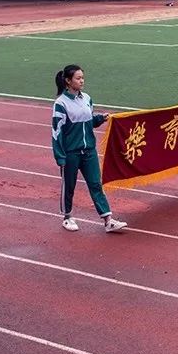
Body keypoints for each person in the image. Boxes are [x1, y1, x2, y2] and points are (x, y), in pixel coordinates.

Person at [52, 64, 127, 233]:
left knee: (95, 184)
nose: (82, 81)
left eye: (82, 77)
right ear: (68, 81)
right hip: (71, 153)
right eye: (78, 78)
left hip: (89, 151)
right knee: (69, 185)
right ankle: (67, 216)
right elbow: (57, 132)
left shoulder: (86, 98)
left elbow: (89, 122)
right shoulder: (61, 104)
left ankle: (108, 219)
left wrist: (101, 118)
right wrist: (60, 156)